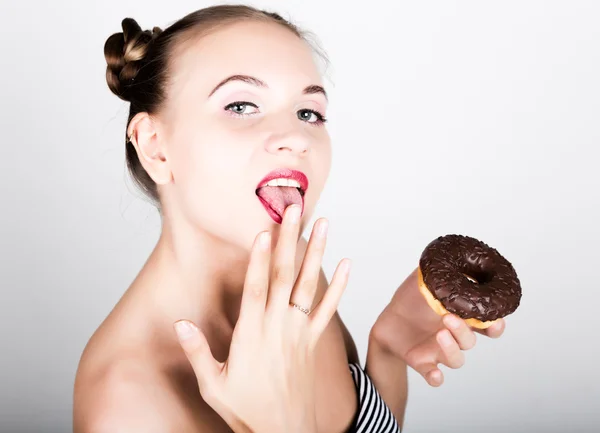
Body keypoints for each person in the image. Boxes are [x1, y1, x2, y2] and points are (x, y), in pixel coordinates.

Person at [73, 4, 506, 432]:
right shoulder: (128, 402)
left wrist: (388, 347)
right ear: (154, 146)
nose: (296, 137)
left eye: (308, 113)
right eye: (241, 105)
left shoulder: (296, 273)